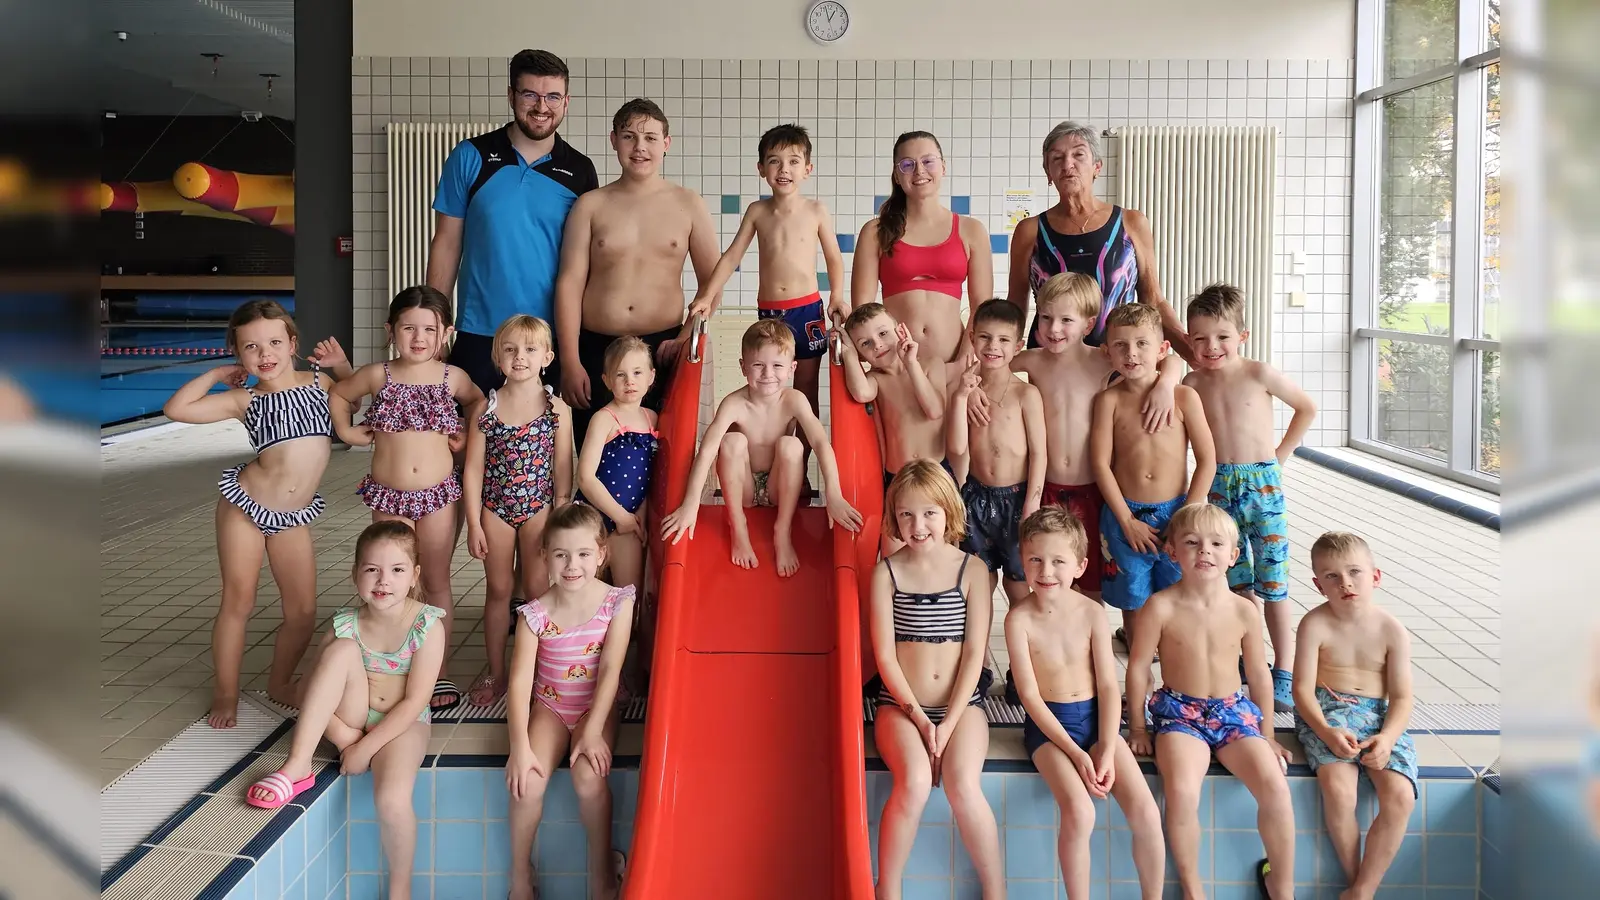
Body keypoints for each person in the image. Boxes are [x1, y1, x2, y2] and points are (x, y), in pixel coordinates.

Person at [161, 299, 352, 728]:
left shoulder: (320, 383)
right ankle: (225, 695)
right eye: (251, 347)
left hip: (293, 515)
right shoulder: (242, 399)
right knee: (238, 601)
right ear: (238, 353)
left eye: (273, 342)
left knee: (302, 611)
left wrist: (341, 366)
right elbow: (177, 410)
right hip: (244, 508)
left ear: (292, 344)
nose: (264, 354)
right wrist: (213, 374)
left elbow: (358, 396)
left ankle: (280, 683)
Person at [245, 521, 443, 900]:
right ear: (355, 574)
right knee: (339, 651)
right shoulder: (345, 626)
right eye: (372, 569)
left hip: (403, 724)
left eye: (397, 570)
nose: (383, 581)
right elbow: (307, 693)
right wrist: (345, 738)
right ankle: (297, 766)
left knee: (391, 799)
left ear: (415, 575)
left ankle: (399, 888)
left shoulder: (427, 626)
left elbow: (416, 702)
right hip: (353, 719)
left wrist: (365, 749)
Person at [1124, 503, 1296, 900]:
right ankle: (1193, 888)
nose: (1205, 551)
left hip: (1234, 712)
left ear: (1233, 556)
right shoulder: (1160, 606)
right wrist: (1137, 726)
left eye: (1217, 544)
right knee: (1182, 790)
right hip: (1179, 714)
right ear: (1172, 552)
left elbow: (1257, 675)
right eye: (1192, 543)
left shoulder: (1245, 609)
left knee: (1274, 784)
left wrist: (1267, 733)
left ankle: (1282, 886)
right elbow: (1137, 670)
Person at [331, 286, 486, 712]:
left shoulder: (451, 377)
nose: (418, 338)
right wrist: (345, 432)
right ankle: (391, 662)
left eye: (429, 329)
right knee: (391, 580)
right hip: (390, 495)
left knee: (434, 580)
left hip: (437, 495)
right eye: (408, 328)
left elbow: (477, 401)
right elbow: (340, 394)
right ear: (391, 331)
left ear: (446, 332)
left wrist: (467, 432)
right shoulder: (379, 374)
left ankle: (435, 671)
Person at [1006, 507, 1164, 899]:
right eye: (1035, 560)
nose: (1046, 571)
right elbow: (1028, 696)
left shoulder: (1093, 613)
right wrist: (1077, 755)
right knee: (1080, 811)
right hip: (1050, 730)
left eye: (1058, 561)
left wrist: (1108, 748)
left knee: (1145, 811)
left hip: (1098, 721)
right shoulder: (1018, 620)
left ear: (1080, 566)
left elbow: (1109, 688)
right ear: (1022, 562)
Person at [428, 48, 597, 396]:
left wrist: (575, 348)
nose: (541, 106)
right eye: (530, 94)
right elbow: (446, 242)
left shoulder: (580, 170)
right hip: (480, 332)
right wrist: (435, 325)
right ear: (511, 95)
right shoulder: (470, 156)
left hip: (547, 337)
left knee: (542, 447)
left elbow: (588, 264)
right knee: (468, 442)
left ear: (566, 101)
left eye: (552, 96)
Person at [1004, 120, 1193, 432]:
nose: (1068, 165)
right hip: (1055, 362)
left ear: (1097, 166)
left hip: (1119, 361)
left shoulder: (1132, 222)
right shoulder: (1030, 231)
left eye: (1078, 155)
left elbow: (1153, 299)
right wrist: (997, 357)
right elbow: (1015, 304)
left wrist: (1188, 350)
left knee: (1119, 450)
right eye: (1056, 158)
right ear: (1048, 173)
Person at [870, 461, 1003, 900]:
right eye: (906, 514)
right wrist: (921, 719)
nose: (917, 524)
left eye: (929, 512)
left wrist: (947, 723)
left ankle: (995, 890)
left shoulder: (973, 570)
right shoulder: (886, 573)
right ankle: (886, 889)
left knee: (963, 783)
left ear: (948, 510)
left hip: (962, 708)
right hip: (900, 707)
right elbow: (885, 656)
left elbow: (972, 654)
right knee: (911, 783)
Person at [1184, 283, 1318, 711]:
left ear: (1242, 335)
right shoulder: (1191, 381)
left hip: (1263, 485)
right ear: (1189, 340)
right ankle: (1249, 655)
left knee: (1274, 582)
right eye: (1200, 338)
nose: (1211, 347)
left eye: (1222, 336)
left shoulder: (1258, 373)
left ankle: (1284, 668)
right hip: (1218, 486)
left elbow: (1306, 407)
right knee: (1235, 581)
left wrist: (1279, 457)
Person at [556, 98, 721, 446]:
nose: (640, 147)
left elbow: (712, 284)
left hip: (663, 346)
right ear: (613, 140)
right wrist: (570, 360)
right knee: (597, 456)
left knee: (660, 461)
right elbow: (569, 283)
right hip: (596, 348)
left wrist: (683, 339)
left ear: (666, 143)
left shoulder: (688, 204)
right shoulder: (591, 205)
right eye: (629, 136)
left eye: (649, 137)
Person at [660, 319, 861, 575]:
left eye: (777, 365)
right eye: (758, 365)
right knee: (732, 441)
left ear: (792, 368)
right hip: (742, 490)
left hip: (780, 491)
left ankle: (782, 531)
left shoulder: (794, 400)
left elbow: (821, 443)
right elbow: (708, 450)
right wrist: (690, 504)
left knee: (792, 445)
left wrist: (834, 494)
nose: (768, 374)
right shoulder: (734, 403)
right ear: (743, 367)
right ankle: (739, 527)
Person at [504, 504, 634, 900]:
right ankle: (521, 875)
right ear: (544, 556)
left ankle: (600, 873)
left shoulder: (617, 602)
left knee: (589, 777)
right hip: (550, 708)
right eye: (560, 554)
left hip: (597, 706)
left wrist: (593, 731)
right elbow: (519, 683)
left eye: (582, 554)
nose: (571, 565)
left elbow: (611, 668)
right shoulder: (534, 615)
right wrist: (519, 748)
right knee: (527, 784)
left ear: (601, 554)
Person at [689, 123, 845, 433]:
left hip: (807, 311)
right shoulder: (757, 211)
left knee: (805, 389)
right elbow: (732, 256)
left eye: (793, 161)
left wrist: (837, 296)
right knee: (770, 389)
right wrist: (706, 296)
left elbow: (834, 258)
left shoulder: (816, 211)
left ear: (807, 169)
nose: (783, 169)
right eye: (774, 160)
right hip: (771, 313)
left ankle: (799, 462)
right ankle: (775, 458)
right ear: (761, 168)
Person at [1293, 531, 1418, 900]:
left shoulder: (1391, 630)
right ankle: (1355, 883)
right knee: (1339, 789)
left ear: (1375, 576)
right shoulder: (1314, 624)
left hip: (1380, 716)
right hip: (1328, 711)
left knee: (1400, 797)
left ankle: (1362, 890)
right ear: (1318, 585)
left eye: (1354, 572)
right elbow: (1300, 690)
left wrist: (1389, 738)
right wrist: (1327, 731)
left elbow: (1402, 696)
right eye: (1331, 576)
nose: (1345, 583)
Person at [1089, 303, 1215, 653]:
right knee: (1135, 602)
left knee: (1178, 593)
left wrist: (1187, 516)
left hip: (1176, 510)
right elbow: (1100, 464)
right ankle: (1139, 666)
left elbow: (1207, 460)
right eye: (1121, 345)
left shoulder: (1184, 397)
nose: (1131, 354)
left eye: (1142, 344)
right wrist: (1126, 520)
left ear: (1162, 349)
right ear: (1107, 351)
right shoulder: (1108, 401)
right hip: (1124, 514)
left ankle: (1177, 663)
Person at [462, 314, 573, 708]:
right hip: (495, 510)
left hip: (540, 509)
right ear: (497, 356)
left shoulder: (558, 410)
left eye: (529, 349)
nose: (519, 357)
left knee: (540, 592)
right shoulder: (485, 410)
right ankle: (496, 671)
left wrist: (558, 518)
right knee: (499, 591)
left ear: (548, 356)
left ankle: (543, 670)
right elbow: (473, 470)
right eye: (509, 350)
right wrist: (474, 522)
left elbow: (563, 472)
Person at [1007, 273, 1113, 600]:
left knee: (1089, 574)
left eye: (1066, 320)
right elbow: (988, 364)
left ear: (1088, 323)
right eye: (1046, 317)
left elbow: (1160, 361)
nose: (1053, 329)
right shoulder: (1033, 360)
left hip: (1092, 486)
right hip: (1048, 486)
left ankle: (1084, 645)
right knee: (1048, 573)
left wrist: (1166, 383)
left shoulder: (1104, 360)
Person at [850, 131, 993, 367]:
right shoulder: (875, 232)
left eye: (928, 161)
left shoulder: (972, 230)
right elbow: (863, 314)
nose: (919, 171)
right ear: (897, 175)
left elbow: (982, 309)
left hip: (953, 362)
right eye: (907, 164)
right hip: (895, 366)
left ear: (943, 167)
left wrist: (961, 364)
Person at [947, 299, 1046, 606]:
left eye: (1003, 340)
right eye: (985, 337)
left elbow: (1040, 454)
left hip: (1016, 499)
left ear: (1017, 346)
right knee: (977, 586)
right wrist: (961, 396)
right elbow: (956, 447)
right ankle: (980, 652)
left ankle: (1021, 654)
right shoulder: (964, 391)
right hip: (976, 496)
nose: (993, 346)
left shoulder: (1025, 394)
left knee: (1018, 586)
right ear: (973, 338)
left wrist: (1032, 502)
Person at [574, 336, 659, 686]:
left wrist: (638, 516)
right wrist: (620, 516)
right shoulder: (603, 418)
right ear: (606, 380)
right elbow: (586, 477)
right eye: (620, 375)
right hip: (599, 517)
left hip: (632, 521)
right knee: (586, 595)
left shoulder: (653, 417)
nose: (630, 382)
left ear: (651, 376)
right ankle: (581, 667)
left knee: (628, 598)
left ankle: (625, 673)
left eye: (637, 372)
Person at [837, 303, 955, 500]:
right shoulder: (876, 379)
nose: (877, 345)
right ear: (860, 354)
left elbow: (934, 411)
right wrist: (848, 352)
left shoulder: (930, 364)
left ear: (900, 330)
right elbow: (861, 393)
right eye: (865, 343)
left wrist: (911, 363)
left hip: (935, 471)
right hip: (897, 475)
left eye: (883, 334)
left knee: (945, 528)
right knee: (897, 529)